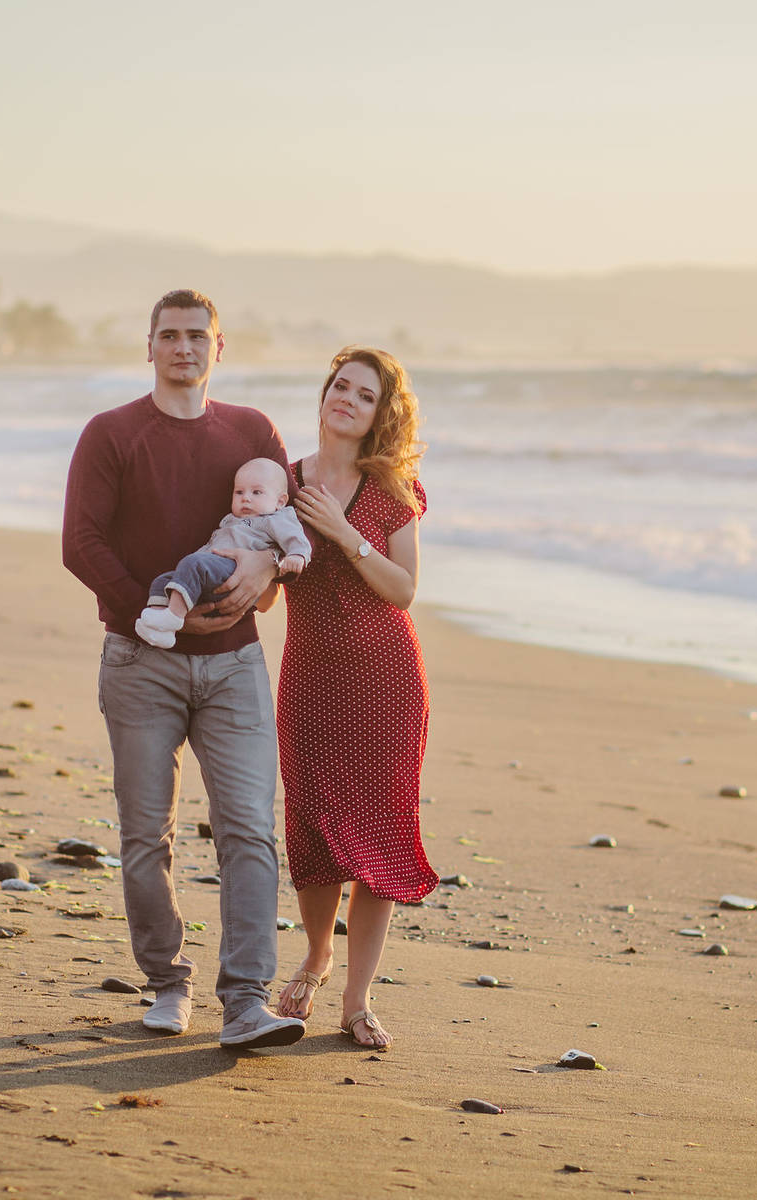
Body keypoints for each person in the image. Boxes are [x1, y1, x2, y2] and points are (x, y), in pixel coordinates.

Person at [61, 288, 306, 1049]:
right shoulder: (111, 433)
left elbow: (283, 531)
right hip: (141, 661)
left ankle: (246, 1003)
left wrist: (266, 573)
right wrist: (153, 606)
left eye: (198, 336)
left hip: (235, 665)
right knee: (144, 838)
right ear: (149, 347)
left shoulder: (252, 431)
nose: (183, 347)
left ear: (219, 348)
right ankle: (168, 982)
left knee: (249, 833)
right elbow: (81, 542)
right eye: (168, 335)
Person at [273, 345, 435, 1050]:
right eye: (339, 386)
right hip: (309, 679)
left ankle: (357, 999)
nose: (346, 399)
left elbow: (404, 591)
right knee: (312, 828)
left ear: (379, 415)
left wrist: (342, 534)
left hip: (386, 682)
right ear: (324, 396)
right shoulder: (280, 482)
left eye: (363, 395)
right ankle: (315, 953)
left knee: (381, 836)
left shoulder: (393, 490)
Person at [135, 457, 309, 649]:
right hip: (212, 570)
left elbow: (297, 539)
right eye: (239, 492)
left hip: (237, 571)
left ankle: (174, 617)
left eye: (257, 492)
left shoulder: (275, 519)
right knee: (164, 581)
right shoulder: (231, 520)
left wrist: (297, 556)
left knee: (192, 563)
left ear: (280, 501)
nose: (246, 498)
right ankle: (158, 625)